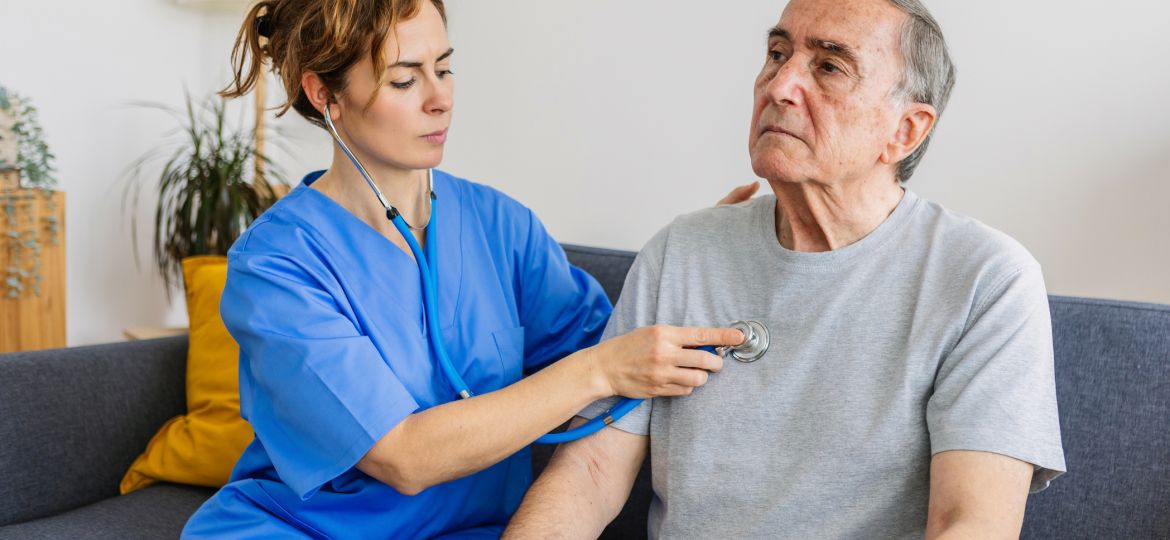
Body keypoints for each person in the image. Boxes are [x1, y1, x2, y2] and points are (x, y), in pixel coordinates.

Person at [182, 1, 751, 537]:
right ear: (326, 94)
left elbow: (619, 345)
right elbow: (404, 456)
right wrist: (599, 369)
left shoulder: (501, 225)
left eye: (445, 69)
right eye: (405, 79)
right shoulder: (275, 264)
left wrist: (692, 261)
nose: (440, 99)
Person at [504, 0, 1066, 538]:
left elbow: (971, 524)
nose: (779, 87)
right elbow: (590, 475)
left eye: (829, 67)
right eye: (777, 54)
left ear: (906, 131)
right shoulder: (682, 251)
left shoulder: (986, 280)